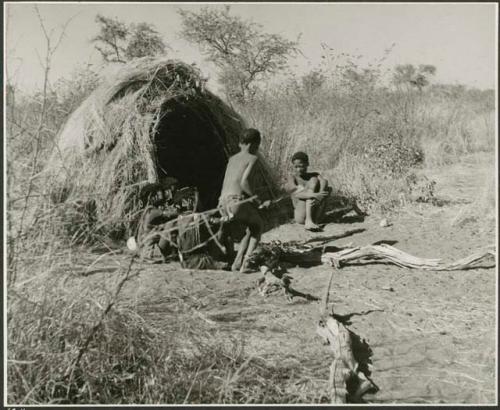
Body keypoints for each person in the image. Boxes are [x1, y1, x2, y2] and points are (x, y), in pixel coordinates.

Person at [218, 128, 270, 273]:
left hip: (222, 203)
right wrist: (258, 202)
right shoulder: (252, 158)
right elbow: (244, 182)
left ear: (241, 143)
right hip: (235, 202)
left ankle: (236, 262)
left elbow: (227, 183)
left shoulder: (232, 159)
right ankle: (246, 263)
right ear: (253, 144)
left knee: (250, 228)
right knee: (258, 226)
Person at [285, 151, 331, 231]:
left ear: (307, 164)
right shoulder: (292, 177)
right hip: (301, 215)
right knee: (313, 181)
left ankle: (312, 220)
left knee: (328, 188)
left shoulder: (314, 174)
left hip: (317, 216)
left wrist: (319, 196)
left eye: (301, 166)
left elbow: (324, 181)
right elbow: (296, 194)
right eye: (296, 167)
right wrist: (314, 195)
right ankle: (308, 221)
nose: (298, 169)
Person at [136, 180, 179, 262]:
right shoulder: (153, 211)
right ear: (153, 197)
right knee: (171, 225)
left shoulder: (147, 210)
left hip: (144, 250)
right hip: (150, 251)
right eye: (159, 193)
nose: (162, 194)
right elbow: (173, 213)